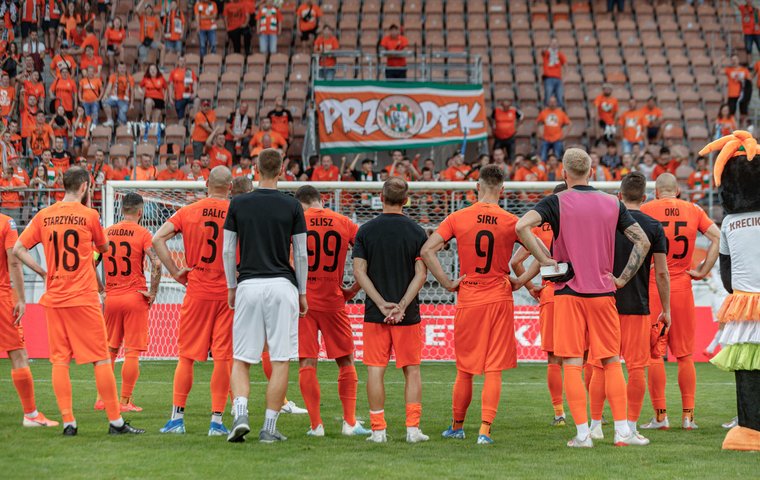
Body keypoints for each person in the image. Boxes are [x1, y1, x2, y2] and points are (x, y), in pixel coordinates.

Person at [515, 148, 651, 448]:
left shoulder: (556, 201)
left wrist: (545, 259)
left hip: (568, 293)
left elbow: (521, 226)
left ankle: (582, 434)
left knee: (574, 364)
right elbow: (642, 240)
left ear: (563, 173)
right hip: (603, 293)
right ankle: (622, 432)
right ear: (592, 172)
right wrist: (622, 278)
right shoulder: (611, 203)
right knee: (612, 362)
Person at [13, 167, 145, 436]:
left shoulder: (44, 215)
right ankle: (116, 421)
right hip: (83, 297)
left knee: (60, 361)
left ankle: (69, 423)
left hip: (55, 297)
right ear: (85, 187)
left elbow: (18, 249)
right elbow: (104, 248)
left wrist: (42, 271)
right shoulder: (89, 215)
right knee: (101, 359)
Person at [422, 165, 532, 444]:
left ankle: (457, 426)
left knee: (466, 369)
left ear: (477, 187)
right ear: (503, 190)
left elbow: (427, 250)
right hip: (499, 297)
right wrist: (522, 280)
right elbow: (544, 249)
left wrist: (447, 283)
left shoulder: (458, 217)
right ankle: (484, 431)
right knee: (493, 368)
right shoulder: (511, 221)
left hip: (469, 296)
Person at [223, 149, 308, 443]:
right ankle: (269, 429)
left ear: (256, 169)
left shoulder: (239, 203)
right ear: (282, 170)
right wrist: (303, 291)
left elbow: (227, 250)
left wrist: (231, 286)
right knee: (281, 359)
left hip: (248, 284)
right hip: (282, 285)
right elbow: (300, 252)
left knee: (241, 358)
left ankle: (241, 414)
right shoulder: (292, 205)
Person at [586, 172, 670, 441]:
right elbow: (661, 274)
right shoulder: (654, 226)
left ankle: (595, 425)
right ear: (645, 198)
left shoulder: (605, 221)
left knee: (600, 365)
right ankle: (630, 427)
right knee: (636, 368)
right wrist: (666, 308)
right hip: (637, 304)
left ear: (618, 196)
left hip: (604, 302)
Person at [153, 166, 234, 437]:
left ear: (206, 183)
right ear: (231, 187)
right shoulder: (238, 212)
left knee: (186, 355)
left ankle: (177, 419)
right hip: (228, 292)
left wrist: (176, 272)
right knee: (223, 357)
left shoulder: (189, 210)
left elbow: (157, 238)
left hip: (197, 289)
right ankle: (217, 422)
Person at [640, 173, 721, 431]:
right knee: (685, 355)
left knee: (654, 354)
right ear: (677, 192)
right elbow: (718, 237)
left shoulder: (645, 209)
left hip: (653, 286)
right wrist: (703, 269)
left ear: (656, 192)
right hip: (683, 286)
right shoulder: (693, 209)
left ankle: (661, 417)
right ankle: (688, 417)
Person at [352, 177, 429, 444]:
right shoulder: (417, 231)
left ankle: (378, 431)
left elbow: (358, 271)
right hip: (407, 314)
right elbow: (421, 274)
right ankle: (412, 430)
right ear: (406, 200)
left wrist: (381, 302)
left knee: (375, 370)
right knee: (413, 370)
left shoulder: (365, 230)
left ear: (381, 197)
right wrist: (403, 304)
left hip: (376, 312)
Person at [292, 185, 371, 437]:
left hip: (303, 301)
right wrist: (353, 288)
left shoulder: (295, 221)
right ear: (322, 200)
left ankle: (316, 426)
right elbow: (368, 254)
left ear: (299, 204)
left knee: (307, 360)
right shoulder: (344, 222)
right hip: (334, 300)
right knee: (345, 359)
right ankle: (349, 422)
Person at [511, 183, 567, 425]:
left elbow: (516, 262)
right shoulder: (583, 219)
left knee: (554, 358)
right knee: (586, 356)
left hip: (551, 293)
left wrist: (529, 286)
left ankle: (559, 413)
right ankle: (595, 414)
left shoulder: (539, 226)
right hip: (582, 292)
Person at [100, 193, 161, 412]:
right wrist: (152, 292)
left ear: (121, 210)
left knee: (110, 350)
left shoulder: (106, 232)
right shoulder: (144, 233)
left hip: (112, 297)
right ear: (140, 212)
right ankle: (125, 401)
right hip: (135, 296)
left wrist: (102, 290)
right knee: (132, 352)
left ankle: (102, 399)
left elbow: (90, 264)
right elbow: (156, 264)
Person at [0, 204, 58, 428]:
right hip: (3, 295)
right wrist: (21, 299)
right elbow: (13, 259)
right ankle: (31, 415)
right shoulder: (6, 223)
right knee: (18, 354)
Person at [536, 96, 570, 161]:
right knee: (543, 158)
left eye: (554, 102)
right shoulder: (543, 112)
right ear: (548, 103)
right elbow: (537, 123)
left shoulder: (561, 113)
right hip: (546, 139)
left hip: (557, 139)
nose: (552, 103)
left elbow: (569, 124)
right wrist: (539, 133)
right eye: (551, 102)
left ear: (556, 103)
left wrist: (565, 135)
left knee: (557, 158)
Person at [103, 62, 135, 127]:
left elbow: (132, 91)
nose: (122, 69)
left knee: (122, 120)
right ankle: (110, 120)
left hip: (124, 99)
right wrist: (105, 95)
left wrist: (131, 103)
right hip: (114, 98)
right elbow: (109, 86)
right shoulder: (113, 76)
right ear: (117, 68)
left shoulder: (130, 78)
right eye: (120, 68)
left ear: (126, 69)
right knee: (104, 101)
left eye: (123, 68)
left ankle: (121, 123)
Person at [168, 55, 198, 122]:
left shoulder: (189, 71)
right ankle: (183, 129)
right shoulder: (174, 72)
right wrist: (170, 97)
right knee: (181, 119)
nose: (182, 62)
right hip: (179, 97)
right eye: (181, 61)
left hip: (188, 96)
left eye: (184, 61)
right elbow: (171, 85)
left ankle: (193, 120)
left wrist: (195, 93)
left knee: (196, 100)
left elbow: (195, 83)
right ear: (178, 62)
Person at [542, 37, 566, 108]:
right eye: (553, 42)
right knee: (548, 97)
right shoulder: (547, 53)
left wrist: (564, 77)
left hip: (558, 79)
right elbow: (543, 51)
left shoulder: (560, 54)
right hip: (549, 78)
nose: (554, 44)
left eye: (556, 43)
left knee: (559, 98)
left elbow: (565, 65)